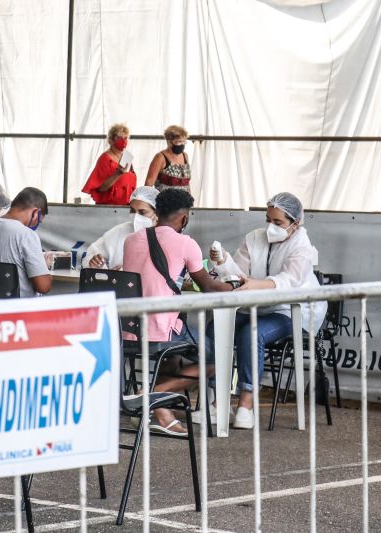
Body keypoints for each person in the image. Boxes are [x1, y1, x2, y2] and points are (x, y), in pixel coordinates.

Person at [208, 192, 326, 429]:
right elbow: (238, 276)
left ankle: (246, 403)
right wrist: (222, 263)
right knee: (214, 328)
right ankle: (215, 401)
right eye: (268, 220)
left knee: (251, 333)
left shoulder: (302, 246)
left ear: (296, 223)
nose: (271, 227)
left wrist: (254, 284)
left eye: (278, 223)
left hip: (291, 310)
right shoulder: (254, 238)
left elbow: (289, 281)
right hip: (256, 305)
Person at [122, 188, 232, 435]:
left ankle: (158, 410)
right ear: (184, 218)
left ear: (156, 212)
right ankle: (150, 395)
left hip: (128, 330)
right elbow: (208, 287)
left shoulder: (131, 240)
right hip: (161, 328)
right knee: (219, 359)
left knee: (174, 352)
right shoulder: (186, 243)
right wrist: (235, 284)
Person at [82, 186, 159, 270]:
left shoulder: (166, 236)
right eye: (132, 211)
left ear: (157, 212)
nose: (136, 216)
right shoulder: (119, 232)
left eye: (142, 212)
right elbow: (91, 255)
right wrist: (95, 263)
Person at [81, 123, 137, 205]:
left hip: (126, 206)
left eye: (125, 138)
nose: (123, 141)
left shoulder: (127, 157)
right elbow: (101, 188)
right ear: (110, 140)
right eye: (119, 138)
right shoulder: (105, 158)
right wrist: (118, 174)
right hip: (109, 206)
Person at [145, 125, 191, 192]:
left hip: (184, 200)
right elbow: (149, 183)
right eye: (179, 142)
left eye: (184, 141)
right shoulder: (160, 157)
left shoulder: (185, 156)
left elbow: (187, 183)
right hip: (165, 200)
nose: (182, 144)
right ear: (169, 142)